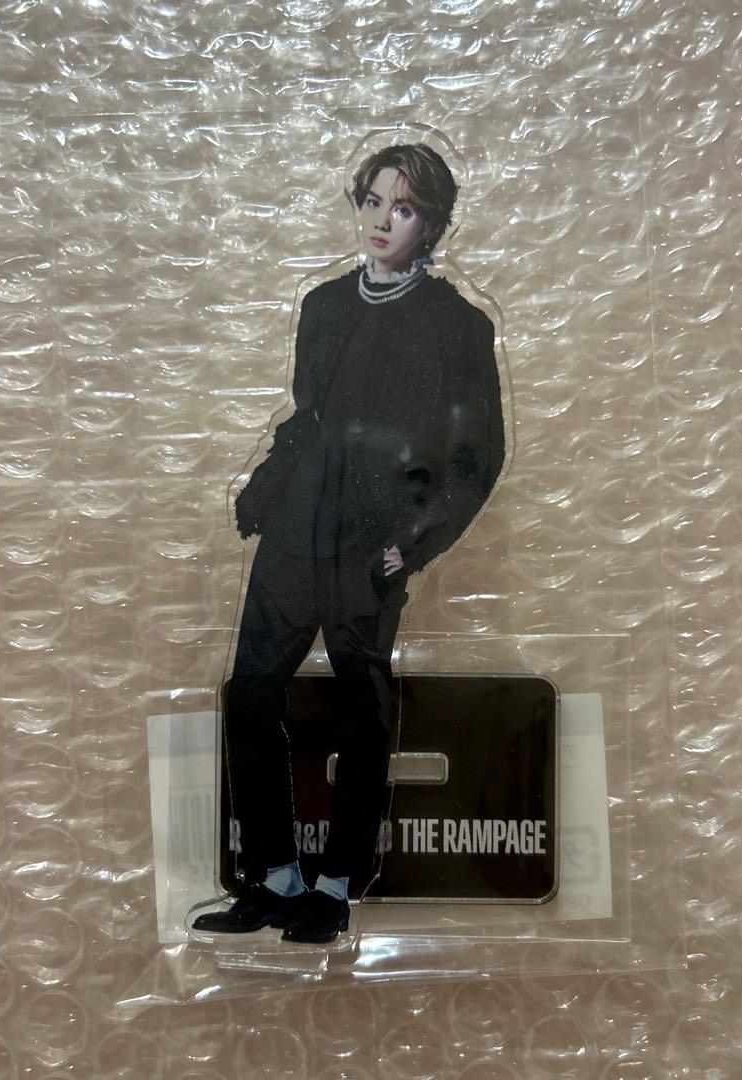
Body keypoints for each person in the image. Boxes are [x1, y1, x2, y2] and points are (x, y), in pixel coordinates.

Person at [193, 143, 506, 944]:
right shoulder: (325, 305)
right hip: (296, 532)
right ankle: (274, 876)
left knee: (361, 712)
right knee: (251, 693)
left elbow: (475, 458)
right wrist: (268, 494)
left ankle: (335, 886)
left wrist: (414, 545)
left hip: (371, 544)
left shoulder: (457, 326)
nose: (382, 221)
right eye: (372, 201)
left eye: (403, 208)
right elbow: (311, 416)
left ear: (432, 224)